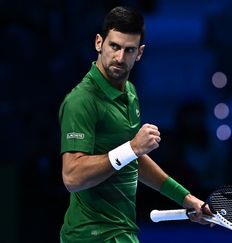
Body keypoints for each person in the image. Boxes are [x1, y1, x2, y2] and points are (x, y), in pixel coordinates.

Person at [58, 6, 212, 242]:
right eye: (114, 46)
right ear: (99, 43)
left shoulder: (129, 93)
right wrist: (131, 147)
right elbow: (72, 177)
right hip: (90, 236)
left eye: (129, 50)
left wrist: (185, 198)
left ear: (139, 53)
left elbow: (132, 160)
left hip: (121, 232)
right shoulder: (82, 101)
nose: (120, 58)